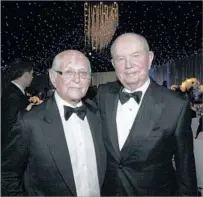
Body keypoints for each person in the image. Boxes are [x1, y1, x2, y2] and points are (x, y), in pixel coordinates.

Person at [95, 33, 197, 196]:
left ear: (149, 58)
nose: (128, 65)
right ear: (113, 64)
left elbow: (185, 168)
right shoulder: (103, 95)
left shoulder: (175, 104)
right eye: (120, 59)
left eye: (135, 56)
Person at [2, 50, 106, 196]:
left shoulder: (98, 115)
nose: (77, 79)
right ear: (53, 77)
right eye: (68, 72)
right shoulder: (30, 122)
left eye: (83, 73)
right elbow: (7, 176)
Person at [1, 59, 34, 148]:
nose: (33, 77)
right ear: (26, 75)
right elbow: (10, 126)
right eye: (32, 74)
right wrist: (28, 111)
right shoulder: (13, 95)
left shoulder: (14, 91)